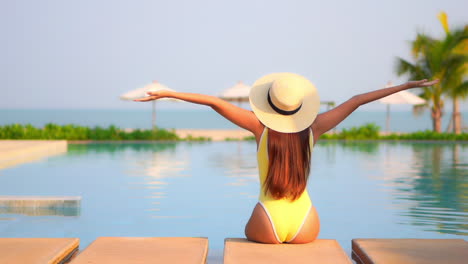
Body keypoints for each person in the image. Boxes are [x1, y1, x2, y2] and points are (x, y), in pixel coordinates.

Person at [135, 73, 438, 244]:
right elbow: (357, 100)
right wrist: (409, 85)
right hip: (306, 220)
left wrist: (168, 93)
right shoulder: (314, 128)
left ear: (269, 104)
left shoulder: (259, 127)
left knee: (243, 240)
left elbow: (215, 102)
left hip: (267, 219)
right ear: (299, 107)